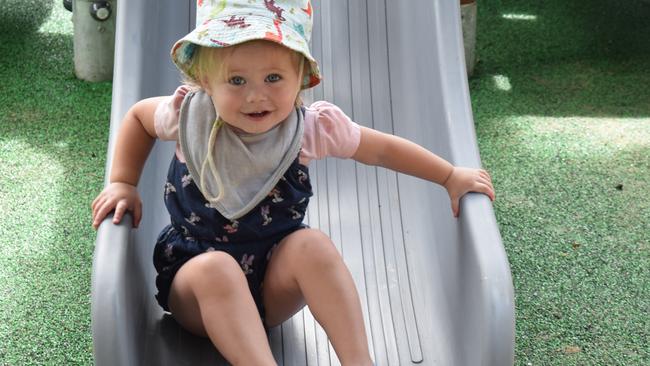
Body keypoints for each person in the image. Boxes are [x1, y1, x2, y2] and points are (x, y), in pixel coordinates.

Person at [91, 1, 495, 365]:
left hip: (272, 286)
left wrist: (448, 175)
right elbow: (137, 118)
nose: (256, 96)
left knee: (312, 245)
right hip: (196, 287)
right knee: (217, 269)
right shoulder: (186, 115)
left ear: (301, 78)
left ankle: (359, 362)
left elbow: (382, 150)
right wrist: (124, 182)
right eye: (236, 81)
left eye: (273, 77)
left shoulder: (308, 129)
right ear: (204, 81)